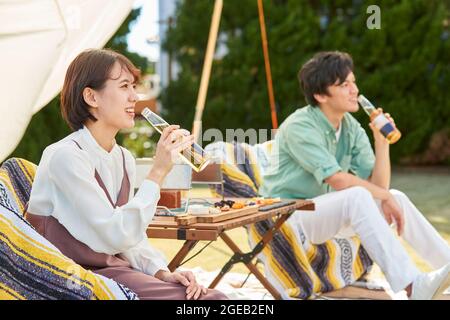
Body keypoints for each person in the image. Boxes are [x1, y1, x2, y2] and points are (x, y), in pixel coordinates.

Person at [26, 49, 227, 300]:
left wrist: (162, 272)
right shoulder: (65, 157)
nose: (134, 96)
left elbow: (131, 239)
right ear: (91, 96)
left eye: (133, 86)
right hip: (71, 279)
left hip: (112, 270)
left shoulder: (123, 157)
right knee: (211, 301)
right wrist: (157, 172)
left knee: (206, 296)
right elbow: (115, 234)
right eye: (124, 86)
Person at [259, 51, 450, 300]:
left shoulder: (350, 126)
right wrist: (382, 195)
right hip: (286, 219)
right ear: (320, 95)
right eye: (344, 85)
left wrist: (382, 144)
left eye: (353, 82)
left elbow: (380, 186)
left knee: (396, 197)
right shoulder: (300, 126)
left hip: (324, 214)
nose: (355, 90)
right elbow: (337, 180)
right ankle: (413, 286)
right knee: (358, 196)